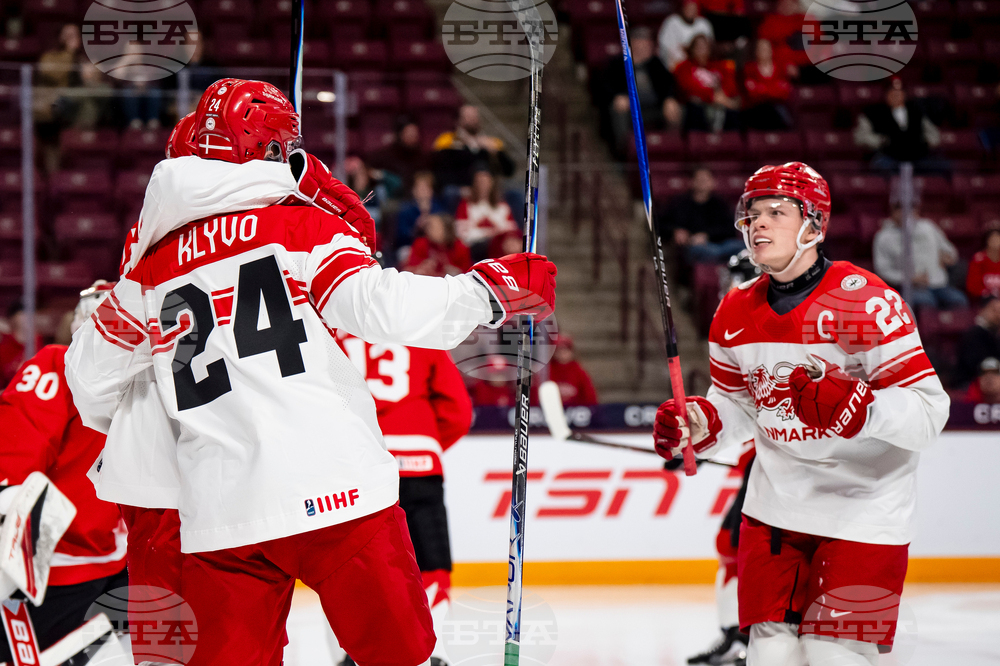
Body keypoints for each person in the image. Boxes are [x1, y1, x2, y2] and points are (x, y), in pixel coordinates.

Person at [66, 78, 557, 666]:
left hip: (222, 512)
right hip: (336, 491)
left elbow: (89, 384)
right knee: (401, 656)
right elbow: (379, 307)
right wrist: (489, 290)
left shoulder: (150, 267)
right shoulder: (299, 226)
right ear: (270, 149)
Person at [653, 162, 949, 666]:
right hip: (775, 510)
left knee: (833, 655)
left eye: (776, 212)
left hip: (865, 511)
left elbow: (929, 412)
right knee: (770, 656)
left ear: (814, 224)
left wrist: (862, 409)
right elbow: (740, 405)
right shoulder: (734, 311)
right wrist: (700, 425)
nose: (758, 224)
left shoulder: (865, 303)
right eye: (752, 214)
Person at [0, 283, 128, 663]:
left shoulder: (59, 363)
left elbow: (16, 446)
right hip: (119, 566)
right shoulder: (158, 384)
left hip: (55, 570)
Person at [332, 332, 473, 666]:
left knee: (352, 562)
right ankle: (434, 651)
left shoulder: (332, 333)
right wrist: (427, 444)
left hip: (359, 464)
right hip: (420, 464)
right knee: (431, 561)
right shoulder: (422, 335)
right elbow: (458, 411)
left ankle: (354, 652)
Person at [872, 202, 966, 311]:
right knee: (925, 302)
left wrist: (948, 256)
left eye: (912, 209)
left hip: (939, 283)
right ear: (893, 212)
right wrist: (909, 279)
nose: (907, 213)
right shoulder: (883, 237)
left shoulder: (928, 227)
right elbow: (883, 270)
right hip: (911, 287)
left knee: (958, 300)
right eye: (901, 209)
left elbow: (950, 250)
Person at [604, 25, 682, 155]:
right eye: (643, 42)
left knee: (677, 110)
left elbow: (669, 84)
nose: (648, 46)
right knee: (618, 109)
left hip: (654, 108)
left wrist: (669, 99)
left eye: (649, 43)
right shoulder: (617, 63)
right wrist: (617, 96)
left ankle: (672, 149)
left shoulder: (656, 63)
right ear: (633, 43)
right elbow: (606, 86)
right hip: (630, 109)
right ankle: (625, 152)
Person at [854, 78, 950, 175]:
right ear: (886, 94)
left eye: (899, 92)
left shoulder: (916, 112)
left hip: (917, 156)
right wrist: (881, 140)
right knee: (879, 165)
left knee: (943, 165)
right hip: (889, 156)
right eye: (892, 92)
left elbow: (934, 136)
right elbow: (861, 137)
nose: (895, 95)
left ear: (904, 94)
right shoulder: (873, 113)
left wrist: (925, 141)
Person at [658, 165, 744, 264]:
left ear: (713, 182)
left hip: (720, 244)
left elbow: (730, 229)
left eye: (706, 180)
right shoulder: (678, 203)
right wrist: (675, 231)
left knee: (742, 247)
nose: (702, 183)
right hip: (693, 246)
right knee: (704, 251)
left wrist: (707, 236)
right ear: (691, 182)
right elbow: (661, 224)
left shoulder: (721, 203)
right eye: (699, 179)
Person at [432, 104, 515, 204]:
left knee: (515, 194)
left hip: (489, 189)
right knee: (449, 192)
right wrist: (466, 146)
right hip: (460, 186)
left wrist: (495, 152)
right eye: (468, 116)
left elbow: (509, 170)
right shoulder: (447, 141)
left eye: (475, 116)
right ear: (458, 120)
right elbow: (440, 172)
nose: (473, 119)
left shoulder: (491, 142)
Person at [674, 35, 741, 132]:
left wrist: (723, 97)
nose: (702, 49)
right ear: (692, 49)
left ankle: (732, 140)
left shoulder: (719, 66)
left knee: (734, 111)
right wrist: (713, 96)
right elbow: (688, 88)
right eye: (698, 46)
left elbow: (731, 87)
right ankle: (696, 140)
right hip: (697, 106)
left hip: (721, 104)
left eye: (704, 46)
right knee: (695, 106)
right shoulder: (684, 67)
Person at [455, 167, 519, 261]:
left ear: (492, 183)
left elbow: (512, 229)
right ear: (474, 183)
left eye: (486, 181)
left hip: (499, 246)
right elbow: (462, 234)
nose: (483, 185)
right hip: (475, 247)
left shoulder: (502, 206)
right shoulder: (465, 205)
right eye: (479, 181)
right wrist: (490, 233)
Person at [741, 39, 793, 131]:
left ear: (771, 51)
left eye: (766, 49)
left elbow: (785, 93)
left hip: (777, 108)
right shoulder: (749, 69)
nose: (764, 52)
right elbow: (752, 94)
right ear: (756, 52)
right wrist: (774, 89)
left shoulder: (780, 68)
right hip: (756, 109)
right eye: (761, 49)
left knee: (782, 115)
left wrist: (762, 88)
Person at [368, 116, 431, 190]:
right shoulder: (386, 155)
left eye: (414, 133)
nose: (412, 136)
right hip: (393, 194)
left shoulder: (424, 157)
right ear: (400, 134)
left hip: (415, 194)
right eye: (409, 133)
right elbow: (370, 169)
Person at [395, 171, 448, 255]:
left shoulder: (439, 208)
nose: (422, 191)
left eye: (426, 188)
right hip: (411, 245)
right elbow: (401, 235)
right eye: (419, 188)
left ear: (431, 190)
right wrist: (416, 228)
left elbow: (446, 231)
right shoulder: (406, 210)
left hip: (435, 245)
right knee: (405, 253)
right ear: (413, 190)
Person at [404, 213, 472, 277]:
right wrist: (421, 267)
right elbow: (408, 270)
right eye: (428, 226)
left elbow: (468, 274)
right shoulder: (421, 243)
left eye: (433, 227)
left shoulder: (460, 248)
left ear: (446, 229)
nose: (428, 230)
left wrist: (454, 271)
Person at [539, 333, 598, 406]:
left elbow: (590, 394)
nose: (562, 353)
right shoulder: (548, 370)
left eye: (566, 349)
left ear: (572, 352)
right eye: (559, 350)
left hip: (576, 409)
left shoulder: (578, 370)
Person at [955, 295, 1000, 387]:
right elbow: (973, 365)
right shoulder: (972, 334)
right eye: (994, 310)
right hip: (970, 384)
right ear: (982, 310)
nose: (997, 315)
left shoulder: (996, 335)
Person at [658, 0, 714, 72]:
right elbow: (667, 47)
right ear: (683, 9)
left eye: (693, 8)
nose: (690, 11)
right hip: (677, 64)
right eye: (688, 8)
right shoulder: (672, 22)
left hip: (698, 64)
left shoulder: (703, 23)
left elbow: (709, 46)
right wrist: (688, 50)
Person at [1, 301, 42, 388]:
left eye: (32, 313)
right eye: (23, 313)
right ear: (12, 318)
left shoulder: (39, 344)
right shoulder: (4, 348)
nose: (28, 317)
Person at [966, 227, 1000, 303]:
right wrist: (986, 293)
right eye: (993, 239)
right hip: (984, 298)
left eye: (998, 239)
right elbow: (972, 286)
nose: (995, 242)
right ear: (987, 241)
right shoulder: (978, 259)